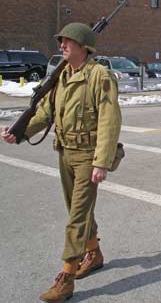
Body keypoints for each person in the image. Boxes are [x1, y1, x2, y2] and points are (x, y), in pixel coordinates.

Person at [2, 22, 122, 302]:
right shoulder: (62, 77)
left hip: (88, 156)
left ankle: (66, 277)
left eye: (68, 41)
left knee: (77, 217)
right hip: (64, 151)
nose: (62, 46)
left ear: (84, 47)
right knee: (77, 210)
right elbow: (44, 112)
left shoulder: (99, 75)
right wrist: (19, 133)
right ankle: (94, 253)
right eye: (61, 41)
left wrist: (102, 162)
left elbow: (109, 120)